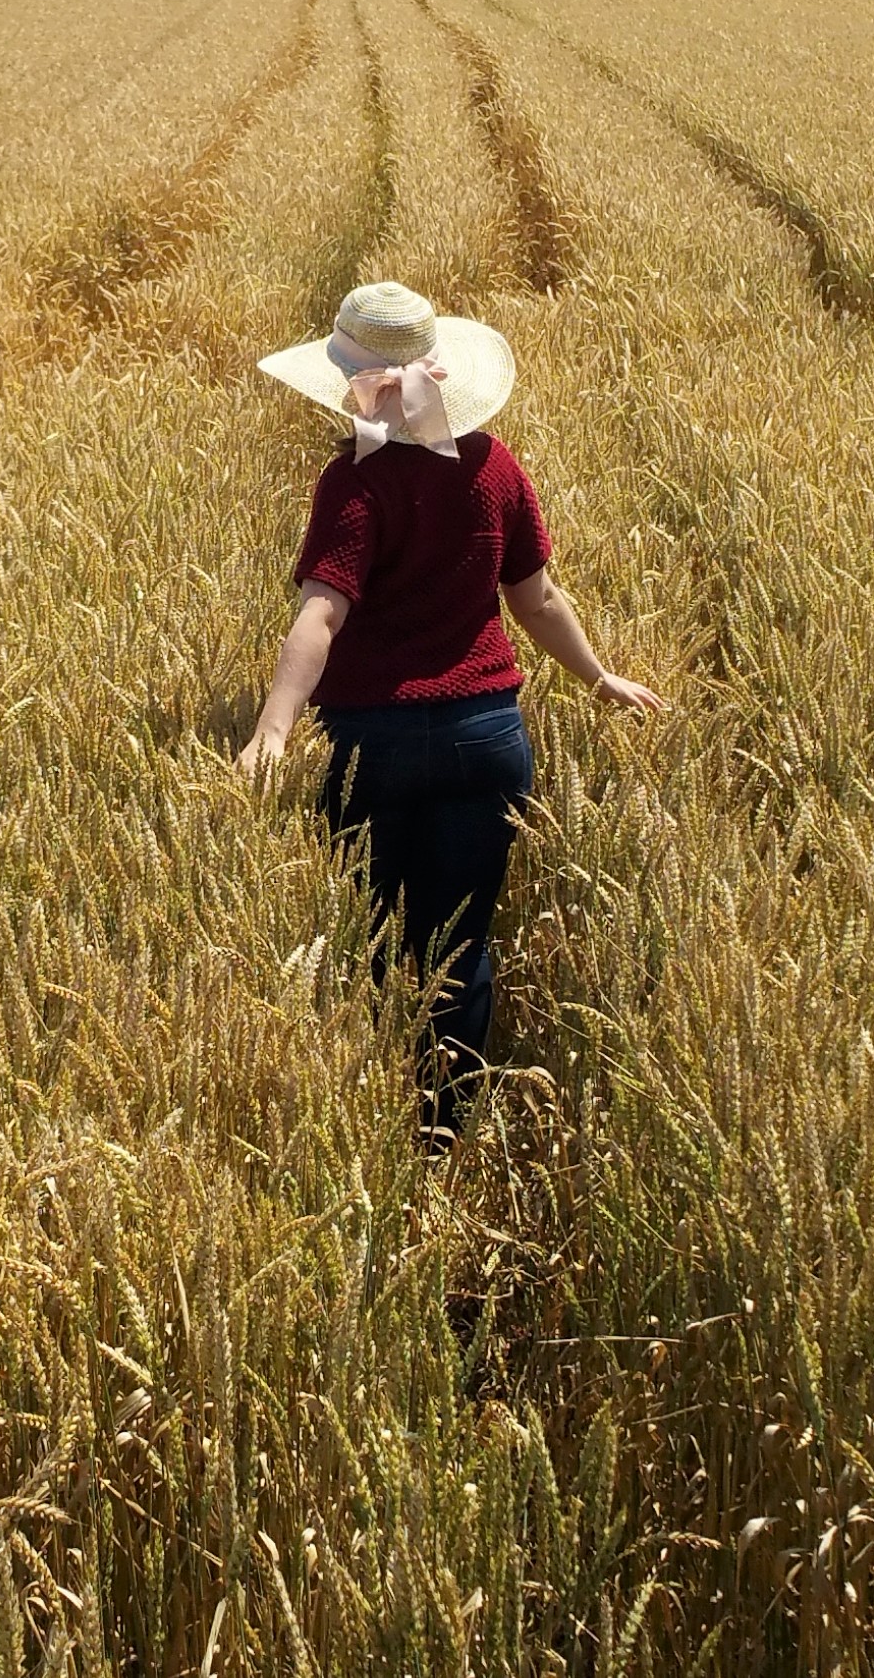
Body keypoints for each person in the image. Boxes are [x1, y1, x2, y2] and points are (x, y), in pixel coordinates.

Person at [240, 282, 665, 1148]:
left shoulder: (353, 482)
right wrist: (599, 677)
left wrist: (273, 729)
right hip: (488, 739)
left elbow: (321, 614)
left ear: (350, 383)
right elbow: (538, 600)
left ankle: (373, 1125)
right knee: (462, 945)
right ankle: (445, 1136)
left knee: (367, 940)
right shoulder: (495, 467)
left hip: (373, 747)